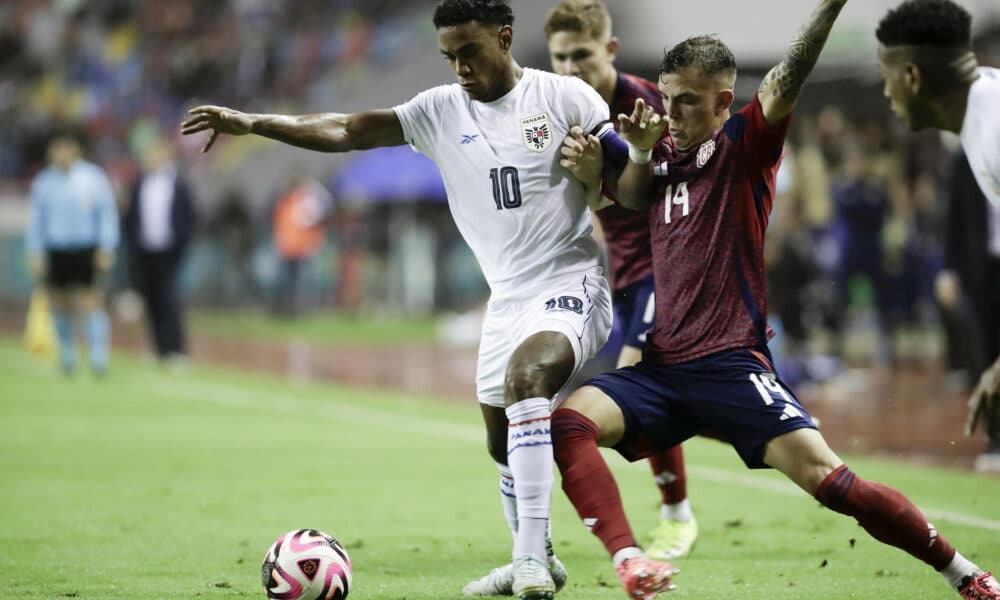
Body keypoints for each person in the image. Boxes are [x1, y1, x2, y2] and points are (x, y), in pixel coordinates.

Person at [554, 1, 1000, 597]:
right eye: (668, 97)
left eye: (688, 100)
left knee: (831, 481)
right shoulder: (657, 153)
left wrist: (828, 10)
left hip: (732, 366)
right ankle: (632, 559)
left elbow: (791, 71)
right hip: (662, 369)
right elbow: (631, 200)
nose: (673, 111)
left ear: (723, 100)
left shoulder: (747, 144)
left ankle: (965, 574)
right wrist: (633, 152)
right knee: (567, 422)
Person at [181, 1, 618, 598]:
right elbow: (346, 130)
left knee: (528, 382)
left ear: (505, 37)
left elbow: (630, 186)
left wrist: (624, 160)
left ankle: (530, 566)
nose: (459, 67)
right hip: (508, 296)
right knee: (502, 440)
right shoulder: (438, 111)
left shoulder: (566, 98)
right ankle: (538, 554)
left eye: (468, 52)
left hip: (571, 279)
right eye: (448, 57)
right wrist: (256, 123)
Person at [543, 0, 697, 563]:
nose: (568, 67)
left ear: (608, 48)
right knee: (678, 392)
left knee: (634, 381)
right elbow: (592, 202)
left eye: (580, 54)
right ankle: (758, 404)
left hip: (668, 263)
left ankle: (676, 514)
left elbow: (681, 182)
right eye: (559, 57)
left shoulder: (645, 104)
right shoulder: (560, 110)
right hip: (626, 272)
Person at [875, 0, 1000, 476]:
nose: (885, 92)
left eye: (885, 76)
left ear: (911, 76)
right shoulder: (981, 111)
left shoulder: (994, 130)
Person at [25, 131, 119, 376]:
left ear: (75, 150)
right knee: (60, 302)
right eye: (56, 148)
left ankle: (99, 356)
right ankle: (68, 354)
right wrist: (35, 251)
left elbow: (106, 214)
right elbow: (36, 221)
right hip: (56, 249)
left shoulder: (92, 178)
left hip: (86, 248)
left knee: (91, 301)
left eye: (65, 148)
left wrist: (107, 246)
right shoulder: (44, 181)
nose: (60, 153)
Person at [938, 150, 1000, 472]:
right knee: (988, 355)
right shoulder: (970, 154)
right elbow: (955, 214)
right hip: (984, 270)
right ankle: (997, 440)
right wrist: (949, 269)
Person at [123, 139, 197, 364]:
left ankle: (176, 349)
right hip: (145, 250)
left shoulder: (178, 183)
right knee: (151, 300)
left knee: (169, 299)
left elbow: (189, 217)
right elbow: (131, 216)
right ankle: (158, 349)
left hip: (169, 251)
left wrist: (181, 245)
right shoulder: (140, 183)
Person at [270, 173, 332, 317]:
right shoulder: (285, 203)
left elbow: (318, 214)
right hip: (287, 248)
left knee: (302, 283)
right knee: (286, 282)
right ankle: (285, 310)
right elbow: (281, 225)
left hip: (302, 249)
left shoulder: (305, 202)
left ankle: (301, 310)